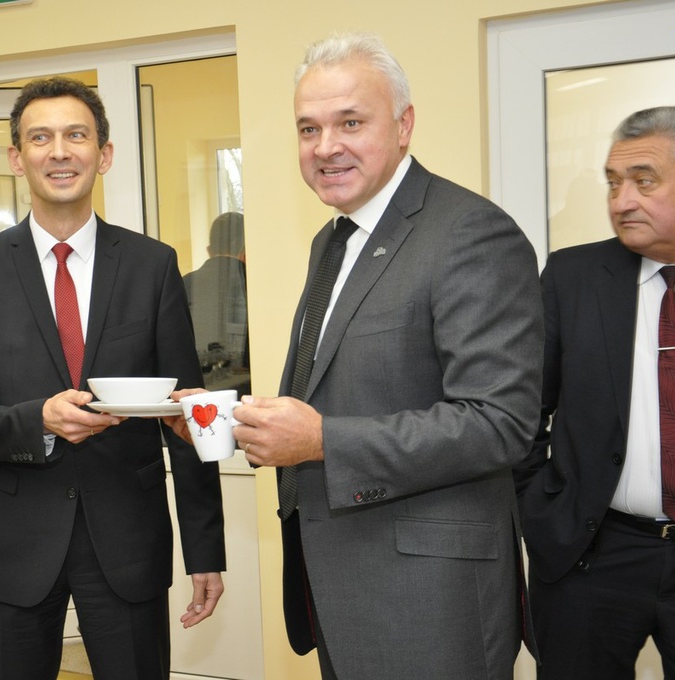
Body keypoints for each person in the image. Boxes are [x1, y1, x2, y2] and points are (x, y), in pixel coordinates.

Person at [229, 32, 544, 679]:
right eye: (308, 128)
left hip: (429, 602)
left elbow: (499, 423)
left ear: (404, 125)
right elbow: (333, 395)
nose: (325, 146)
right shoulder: (331, 241)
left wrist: (323, 441)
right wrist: (232, 423)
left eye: (350, 122)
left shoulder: (469, 232)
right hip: (337, 584)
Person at [0, 77, 226, 680]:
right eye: (40, 138)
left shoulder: (152, 266)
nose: (59, 151)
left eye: (76, 135)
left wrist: (205, 551)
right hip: (16, 545)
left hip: (127, 542)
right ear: (17, 157)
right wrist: (37, 420)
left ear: (104, 154)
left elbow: (189, 415)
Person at [514, 106, 675, 678]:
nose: (621, 201)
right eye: (613, 183)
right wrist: (542, 511)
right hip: (592, 556)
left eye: (643, 181)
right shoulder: (572, 277)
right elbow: (523, 413)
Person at [182, 211, 250, 394]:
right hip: (245, 392)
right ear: (246, 252)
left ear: (209, 250)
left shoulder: (183, 284)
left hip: (193, 393)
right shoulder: (253, 286)